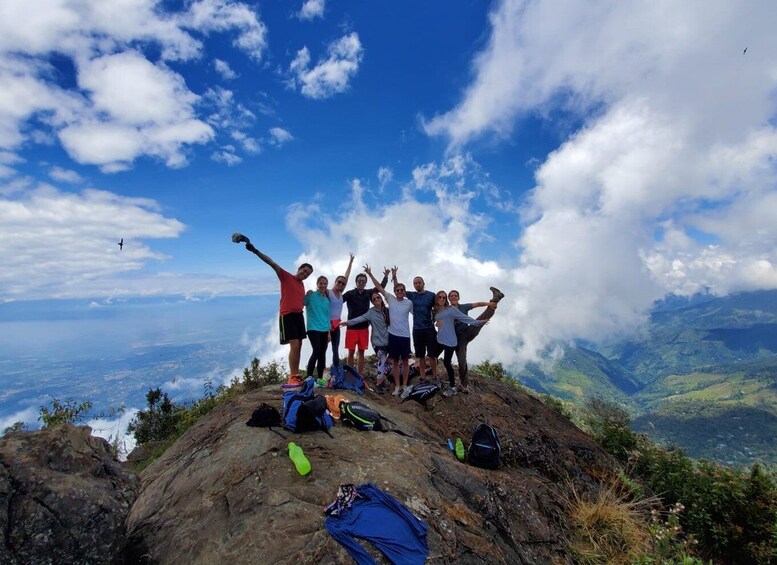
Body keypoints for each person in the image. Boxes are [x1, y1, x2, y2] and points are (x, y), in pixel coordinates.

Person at [244, 241, 313, 387]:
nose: (305, 274)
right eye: (304, 271)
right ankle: (292, 375)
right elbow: (271, 262)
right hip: (287, 315)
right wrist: (255, 251)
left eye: (307, 274)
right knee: (294, 344)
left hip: (298, 315)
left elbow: (301, 302)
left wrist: (309, 296)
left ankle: (295, 374)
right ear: (299, 268)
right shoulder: (286, 276)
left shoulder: (301, 285)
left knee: (299, 344)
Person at [366, 265, 413, 396]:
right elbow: (379, 287)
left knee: (405, 362)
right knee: (395, 361)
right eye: (397, 290)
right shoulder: (390, 298)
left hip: (405, 336)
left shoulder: (409, 303)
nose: (399, 291)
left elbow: (419, 314)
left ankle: (404, 384)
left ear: (404, 291)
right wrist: (370, 274)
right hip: (393, 336)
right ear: (394, 291)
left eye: (401, 290)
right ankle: (397, 386)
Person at [449, 287, 504, 393]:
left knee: (480, 320)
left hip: (467, 331)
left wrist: (489, 304)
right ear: (449, 298)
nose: (453, 297)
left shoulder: (464, 307)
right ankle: (464, 384)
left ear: (458, 297)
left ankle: (494, 301)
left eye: (455, 295)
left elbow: (477, 304)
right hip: (457, 339)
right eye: (451, 296)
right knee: (462, 361)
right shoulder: (447, 309)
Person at [432, 290, 487, 396]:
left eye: (444, 298)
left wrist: (478, 322)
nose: (442, 299)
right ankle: (434, 377)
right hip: (440, 339)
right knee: (432, 356)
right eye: (440, 297)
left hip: (450, 341)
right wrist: (435, 323)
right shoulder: (435, 310)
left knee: (447, 363)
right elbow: (434, 320)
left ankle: (452, 387)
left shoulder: (451, 309)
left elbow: (464, 318)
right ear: (436, 299)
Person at [338, 291, 390, 393]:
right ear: (372, 302)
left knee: (388, 361)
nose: (376, 300)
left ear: (381, 298)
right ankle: (379, 384)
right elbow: (360, 319)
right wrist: (347, 322)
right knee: (381, 359)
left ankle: (382, 380)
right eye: (374, 299)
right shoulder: (371, 312)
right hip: (377, 342)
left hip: (388, 340)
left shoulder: (388, 311)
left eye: (378, 297)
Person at [342, 268, 389, 376]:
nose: (361, 283)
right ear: (356, 282)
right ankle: (350, 372)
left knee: (362, 352)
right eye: (360, 281)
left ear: (365, 283)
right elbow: (339, 298)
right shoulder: (349, 294)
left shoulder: (368, 293)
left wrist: (386, 276)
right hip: (351, 328)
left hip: (364, 328)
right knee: (351, 352)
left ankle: (359, 373)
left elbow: (380, 287)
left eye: (364, 281)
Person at [396, 271, 437, 378]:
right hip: (417, 329)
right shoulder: (412, 295)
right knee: (420, 355)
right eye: (415, 283)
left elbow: (439, 307)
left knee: (432, 355)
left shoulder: (431, 295)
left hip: (429, 328)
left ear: (423, 283)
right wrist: (394, 277)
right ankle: (422, 376)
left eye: (419, 282)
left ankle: (434, 376)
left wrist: (440, 319)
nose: (417, 284)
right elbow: (398, 290)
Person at [328, 253, 355, 369]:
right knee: (321, 349)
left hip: (336, 325)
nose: (341, 284)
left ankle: (336, 369)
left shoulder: (341, 294)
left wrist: (350, 263)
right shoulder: (328, 292)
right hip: (326, 325)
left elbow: (346, 276)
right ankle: (320, 372)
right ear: (335, 281)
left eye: (343, 283)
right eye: (339, 282)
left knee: (335, 349)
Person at [304, 276, 331, 381]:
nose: (323, 285)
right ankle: (309, 376)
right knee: (316, 350)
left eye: (325, 284)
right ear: (317, 284)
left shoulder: (326, 300)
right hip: (313, 328)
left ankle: (320, 378)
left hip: (324, 329)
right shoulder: (311, 295)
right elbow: (302, 303)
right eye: (321, 283)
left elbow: (327, 316)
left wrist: (329, 332)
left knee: (322, 353)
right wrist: (306, 294)